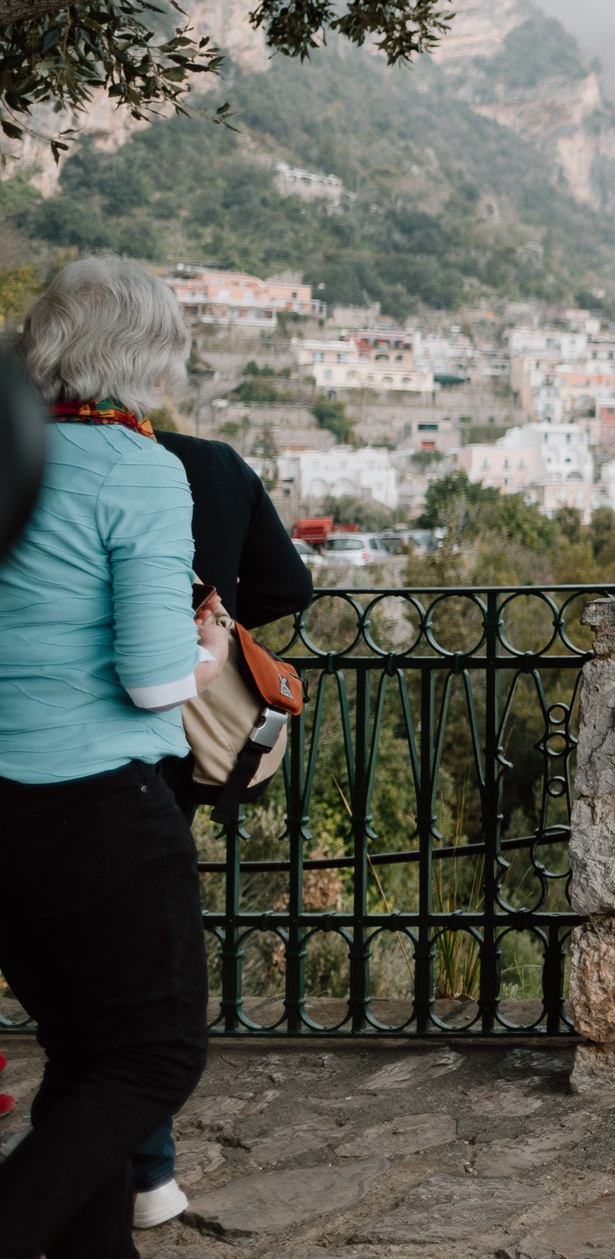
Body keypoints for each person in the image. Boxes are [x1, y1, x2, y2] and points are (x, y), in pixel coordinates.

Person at [0, 257, 217, 1259]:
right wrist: (204, 651)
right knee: (156, 1054)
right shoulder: (136, 470)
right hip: (94, 804)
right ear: (148, 361)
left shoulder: (13, 456)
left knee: (86, 1051)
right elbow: (150, 678)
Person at [120, 428, 315, 1229]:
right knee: (143, 943)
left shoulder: (62, 463)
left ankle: (131, 1161)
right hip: (176, 743)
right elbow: (290, 583)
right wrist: (222, 616)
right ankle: (144, 1167)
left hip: (74, 732)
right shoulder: (212, 465)